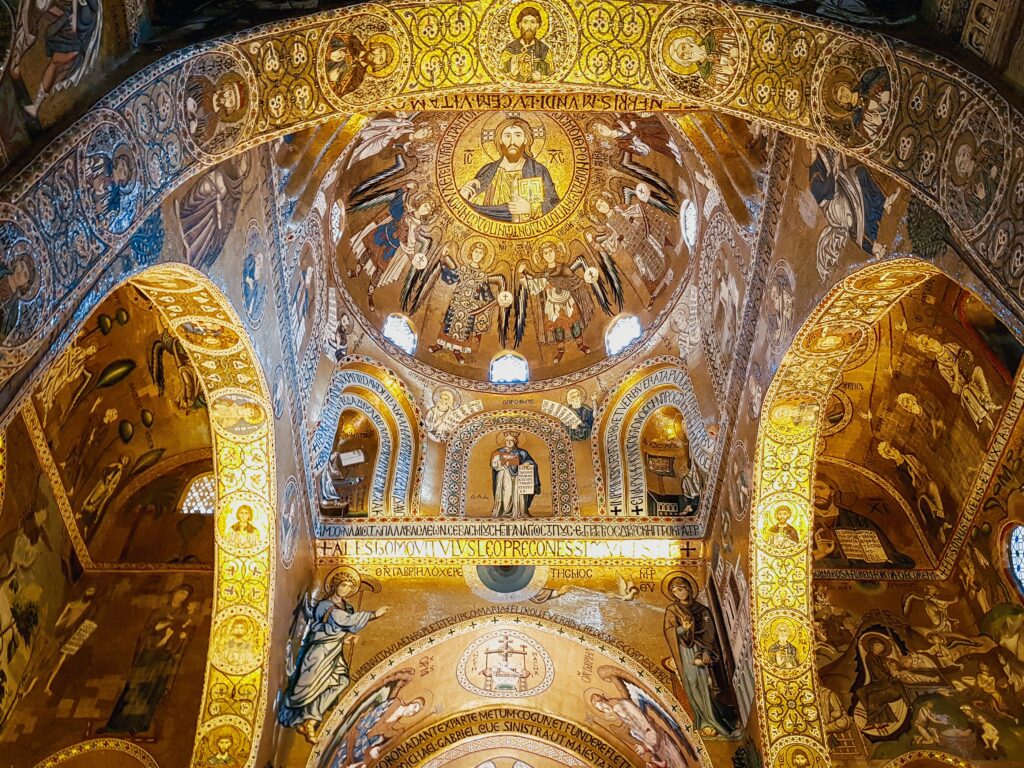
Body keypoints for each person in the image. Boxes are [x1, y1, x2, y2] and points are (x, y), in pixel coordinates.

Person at [278, 570, 389, 743]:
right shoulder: (325, 605)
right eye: (343, 585)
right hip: (320, 650)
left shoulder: (347, 606)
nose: (346, 589)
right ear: (335, 585)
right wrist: (374, 614)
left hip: (334, 650)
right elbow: (341, 620)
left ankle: (311, 720)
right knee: (308, 686)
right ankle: (302, 716)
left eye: (350, 587)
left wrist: (346, 637)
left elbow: (341, 628)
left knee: (341, 681)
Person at [105, 584, 197, 734]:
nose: (183, 597)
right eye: (181, 593)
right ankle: (115, 724)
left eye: (186, 595)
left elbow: (185, 633)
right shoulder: (159, 611)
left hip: (164, 656)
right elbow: (146, 632)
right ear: (174, 593)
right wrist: (159, 629)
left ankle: (139, 725)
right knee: (134, 686)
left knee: (152, 688)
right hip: (148, 653)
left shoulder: (183, 614)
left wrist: (181, 635)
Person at [662, 574, 738, 737]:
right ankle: (704, 719)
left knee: (708, 683)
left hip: (703, 651)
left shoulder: (703, 610)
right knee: (692, 682)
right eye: (675, 592)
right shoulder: (672, 610)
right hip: (685, 652)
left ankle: (717, 718)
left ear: (688, 589)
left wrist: (706, 651)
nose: (679, 594)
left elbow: (710, 633)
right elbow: (669, 631)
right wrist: (684, 628)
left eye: (681, 590)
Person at [459, 116, 559, 223]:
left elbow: (554, 205)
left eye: (518, 135)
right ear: (500, 140)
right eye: (507, 136)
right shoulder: (487, 171)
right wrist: (463, 198)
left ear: (526, 139)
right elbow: (474, 207)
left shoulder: (538, 171)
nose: (512, 141)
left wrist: (531, 209)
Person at [516, 240, 595, 363]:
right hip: (553, 304)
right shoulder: (543, 274)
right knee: (557, 327)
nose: (549, 254)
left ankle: (581, 345)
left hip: (568, 300)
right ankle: (560, 351)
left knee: (574, 323)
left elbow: (574, 281)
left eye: (551, 251)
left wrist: (560, 283)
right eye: (545, 253)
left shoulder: (563, 268)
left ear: (556, 252)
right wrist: (521, 273)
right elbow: (531, 286)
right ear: (542, 257)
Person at [811, 478, 914, 568]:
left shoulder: (859, 521)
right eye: (811, 489)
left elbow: (888, 555)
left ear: (832, 491)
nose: (816, 494)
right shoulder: (800, 522)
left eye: (821, 488)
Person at [911, 332, 1001, 431]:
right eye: (927, 344)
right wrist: (956, 373)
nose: (932, 342)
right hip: (965, 388)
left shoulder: (950, 346)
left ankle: (990, 402)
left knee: (978, 370)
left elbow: (969, 356)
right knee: (967, 391)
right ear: (928, 349)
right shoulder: (942, 368)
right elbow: (954, 390)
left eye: (930, 338)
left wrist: (967, 356)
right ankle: (987, 418)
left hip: (971, 375)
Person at [490, 431, 540, 518]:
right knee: (507, 494)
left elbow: (531, 462)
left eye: (511, 440)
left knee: (520, 494)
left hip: (518, 476)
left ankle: (521, 512)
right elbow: (494, 464)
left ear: (516, 441)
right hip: (504, 475)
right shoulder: (498, 452)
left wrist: (528, 463)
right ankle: (505, 512)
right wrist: (502, 462)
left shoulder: (522, 452)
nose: (509, 442)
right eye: (507, 440)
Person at [499, 6, 553, 82]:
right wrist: (512, 75)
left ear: (538, 26)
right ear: (520, 25)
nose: (529, 26)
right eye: (525, 22)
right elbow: (499, 77)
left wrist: (541, 78)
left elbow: (554, 77)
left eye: (533, 22)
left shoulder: (544, 51)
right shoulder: (509, 50)